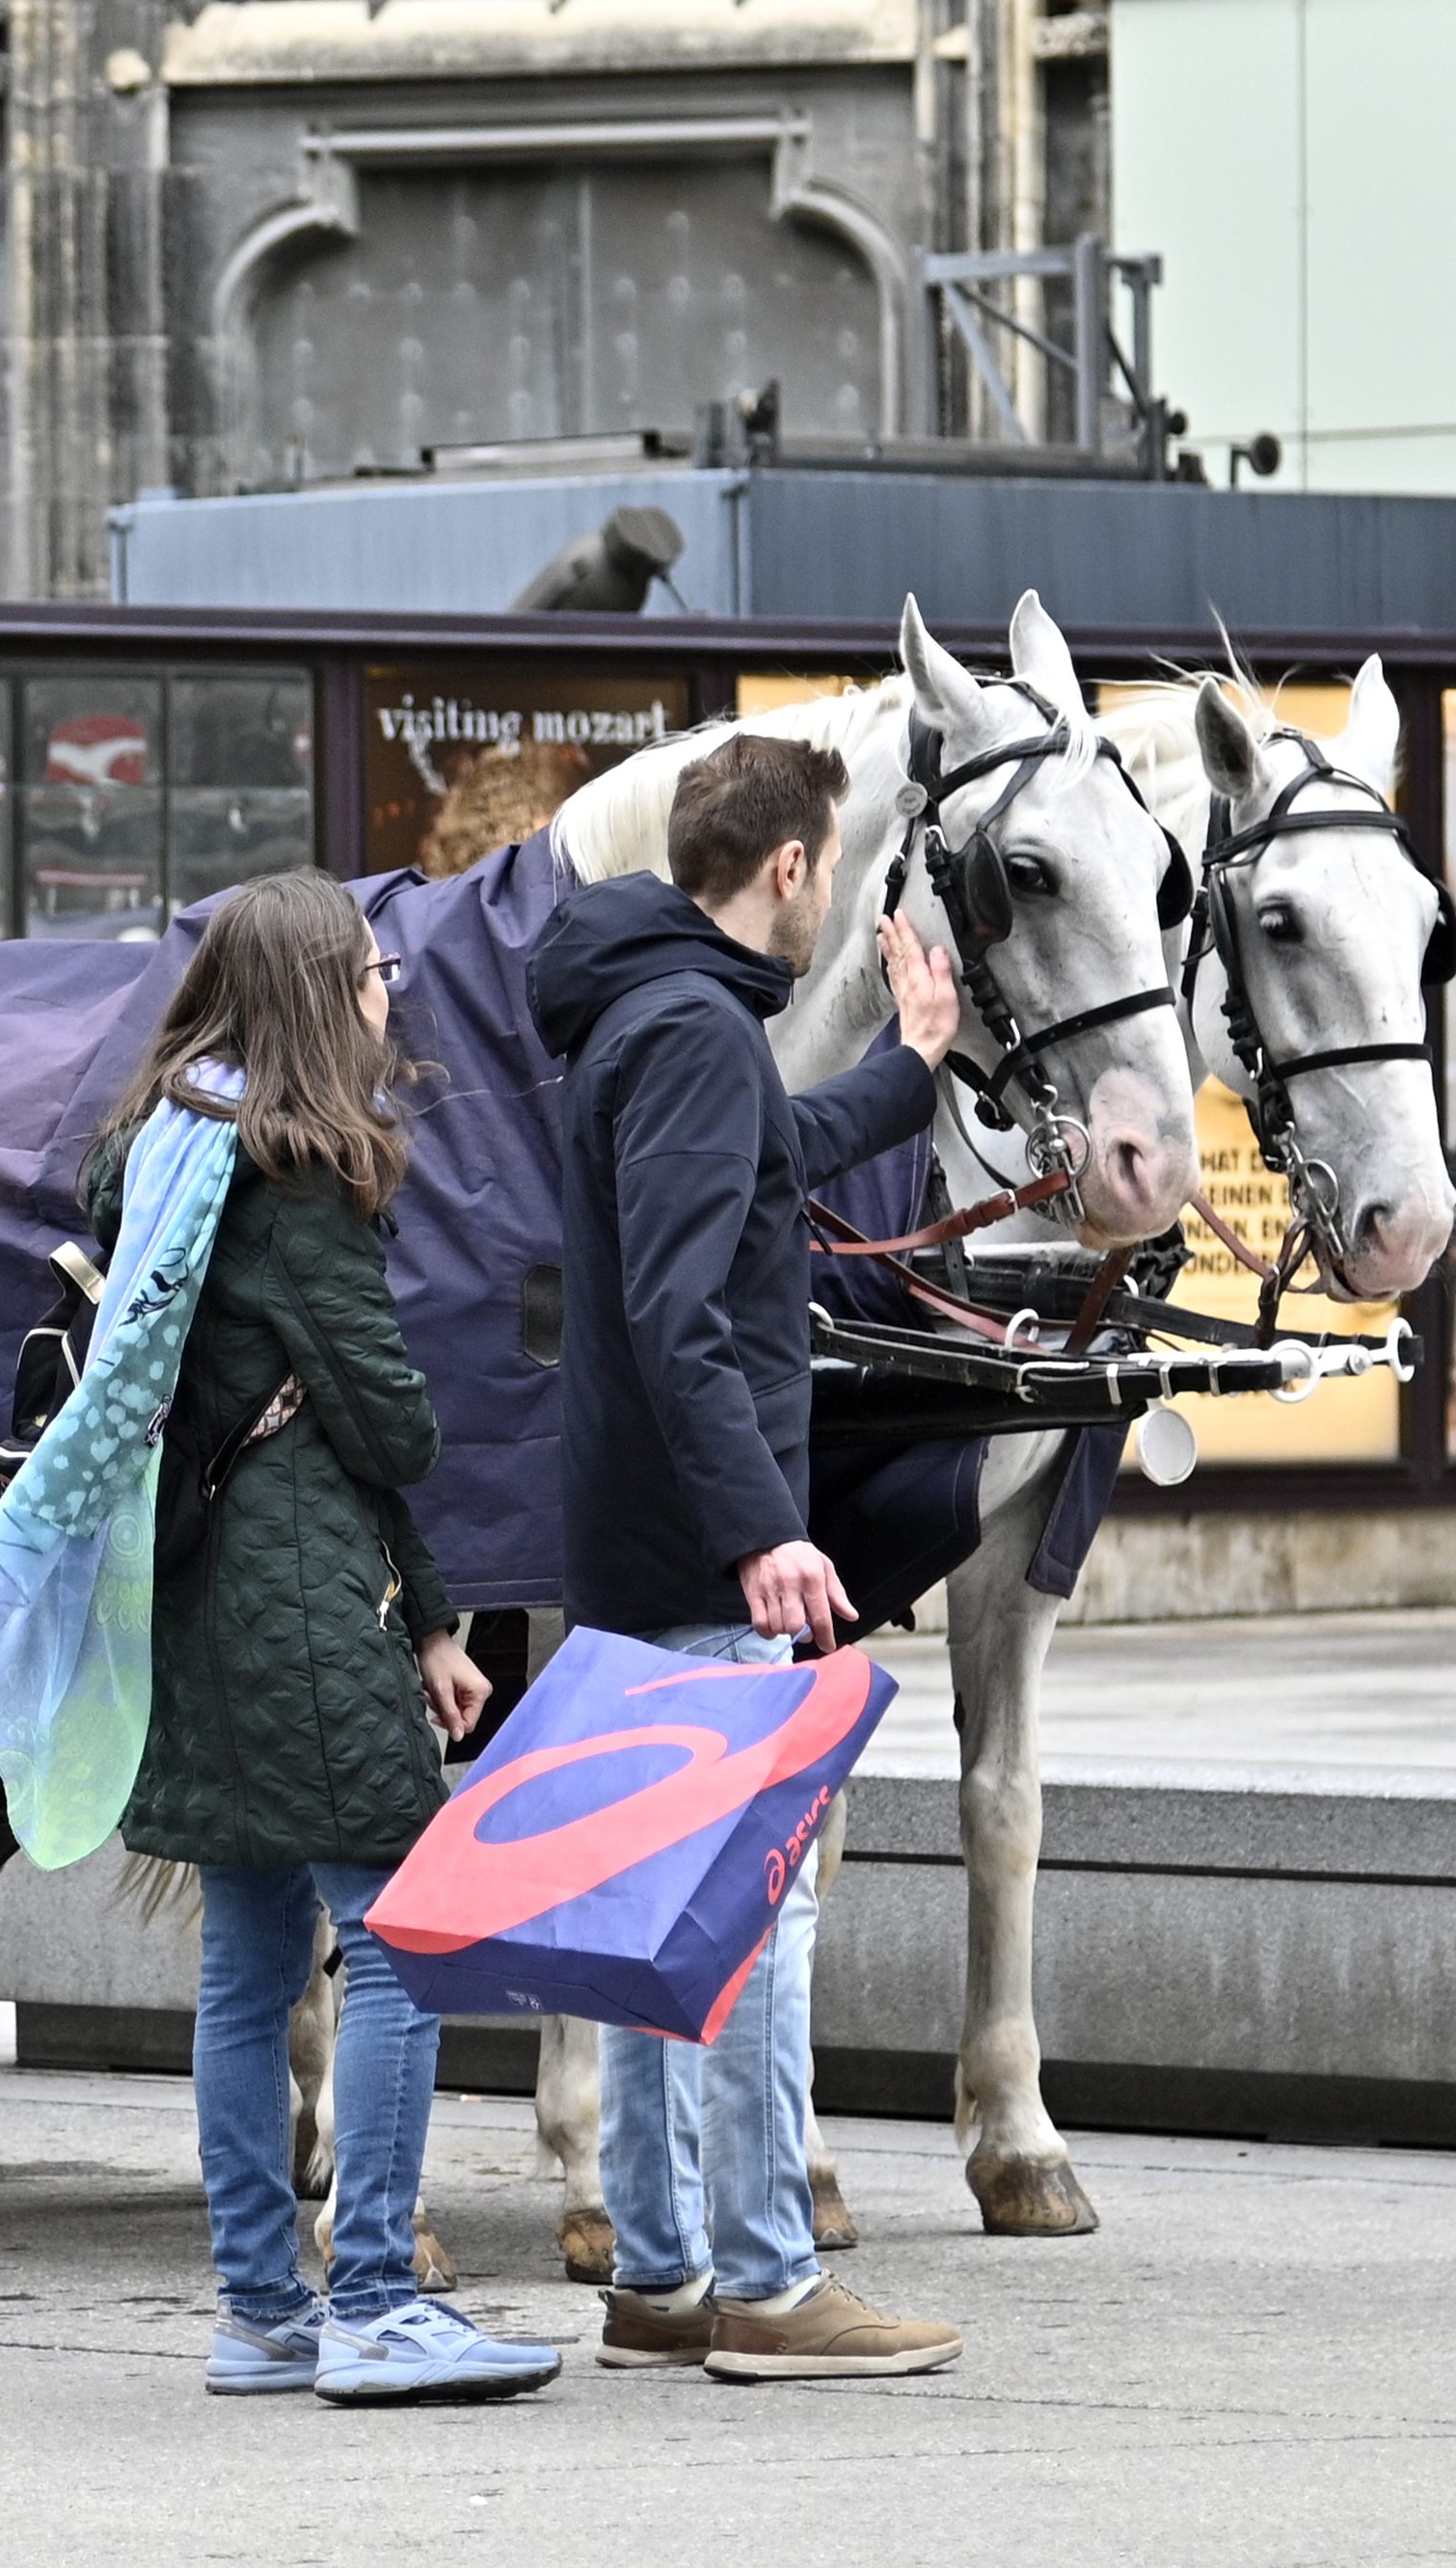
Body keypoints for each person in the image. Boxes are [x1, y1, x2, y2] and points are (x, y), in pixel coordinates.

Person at [526, 730, 969, 2383]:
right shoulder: (700, 1036)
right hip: (707, 1563)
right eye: (828, 869)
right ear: (794, 869)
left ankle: (658, 2274)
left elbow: (766, 1165)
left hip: (627, 1552)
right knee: (755, 1917)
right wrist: (766, 1530)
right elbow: (682, 1314)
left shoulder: (645, 1011)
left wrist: (912, 1065)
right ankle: (773, 2284)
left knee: (658, 1915)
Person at [87, 869, 561, 2407]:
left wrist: (431, 1613)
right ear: (306, 998)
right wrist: (397, 1556)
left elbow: (315, 1433)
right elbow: (393, 1427)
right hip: (297, 1607)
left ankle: (261, 2313)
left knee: (242, 1971)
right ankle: (370, 2300)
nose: (388, 996)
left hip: (205, 1592)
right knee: (402, 1944)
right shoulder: (297, 1174)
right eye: (366, 976)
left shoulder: (164, 1151)